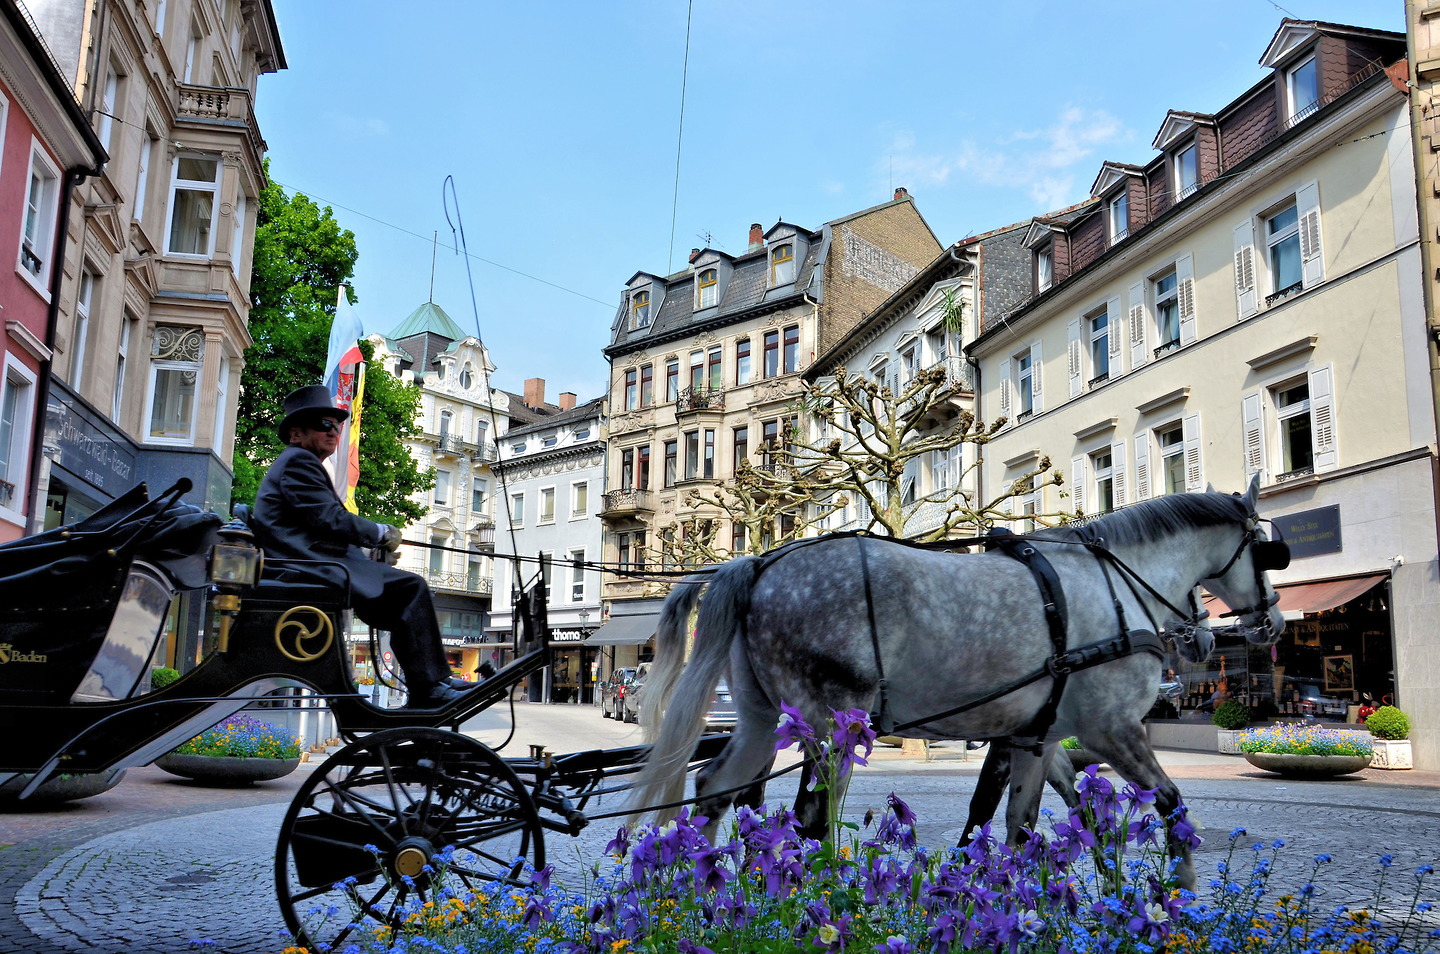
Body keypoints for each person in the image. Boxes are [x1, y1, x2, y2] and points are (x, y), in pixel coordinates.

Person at [251, 385, 476, 709]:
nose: (333, 431)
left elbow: (317, 522)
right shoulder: (298, 462)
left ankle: (432, 680)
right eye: (323, 424)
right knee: (411, 587)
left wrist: (368, 551)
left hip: (311, 562)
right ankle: (429, 686)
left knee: (402, 595)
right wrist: (380, 532)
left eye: (337, 425)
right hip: (309, 566)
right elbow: (330, 518)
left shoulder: (297, 462)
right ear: (296, 434)